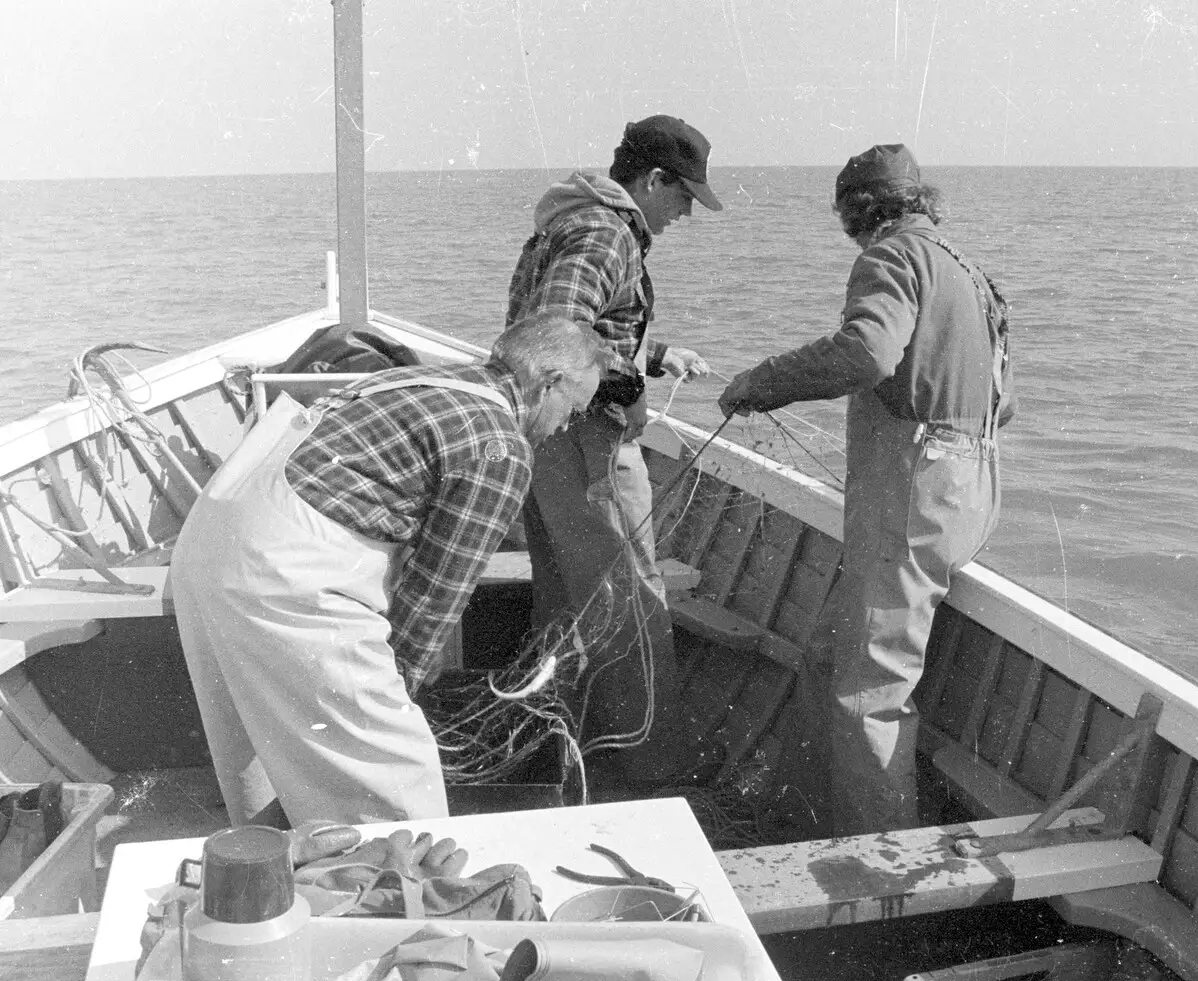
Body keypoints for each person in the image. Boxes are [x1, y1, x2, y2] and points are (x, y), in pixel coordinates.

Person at [171, 312, 604, 828]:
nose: (567, 426)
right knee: (396, 781)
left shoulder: (412, 378)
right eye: (573, 409)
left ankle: (270, 873)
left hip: (211, 536)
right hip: (282, 572)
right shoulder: (499, 448)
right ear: (547, 383)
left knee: (256, 753)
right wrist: (396, 701)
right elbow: (431, 601)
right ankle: (393, 898)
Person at [718, 143, 1012, 834]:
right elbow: (1007, 405)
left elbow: (867, 353)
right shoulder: (973, 274)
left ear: (860, 213)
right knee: (831, 656)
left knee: (869, 691)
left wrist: (762, 383)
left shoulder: (891, 257)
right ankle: (800, 811)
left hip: (914, 492)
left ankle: (878, 868)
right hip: (973, 491)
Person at [505, 114, 722, 785]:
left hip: (550, 444)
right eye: (683, 195)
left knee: (565, 607)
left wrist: (649, 354)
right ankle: (650, 778)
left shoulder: (577, 223)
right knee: (633, 606)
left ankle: (561, 759)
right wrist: (625, 379)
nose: (685, 211)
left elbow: (580, 321)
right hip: (588, 448)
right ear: (652, 179)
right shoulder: (607, 234)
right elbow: (554, 333)